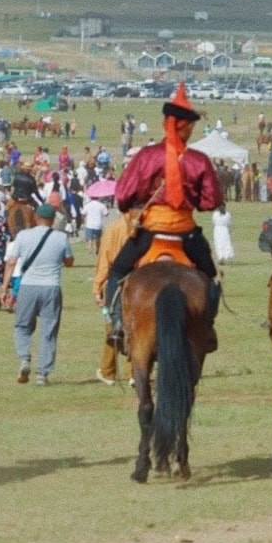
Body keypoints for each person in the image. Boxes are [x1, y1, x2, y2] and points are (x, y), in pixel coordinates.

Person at [103, 81, 223, 346]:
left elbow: (123, 193)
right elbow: (211, 200)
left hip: (149, 232)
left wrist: (132, 209)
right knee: (211, 276)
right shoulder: (199, 160)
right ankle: (207, 328)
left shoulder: (146, 156)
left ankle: (118, 324)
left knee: (116, 272)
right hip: (186, 234)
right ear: (187, 127)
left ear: (165, 123)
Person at [1, 203, 74, 385]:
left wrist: (4, 288)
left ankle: (24, 357)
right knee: (49, 330)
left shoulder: (23, 236)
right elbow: (69, 261)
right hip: (51, 286)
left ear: (35, 217)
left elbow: (11, 262)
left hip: (28, 285)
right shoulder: (61, 237)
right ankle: (43, 373)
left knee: (22, 326)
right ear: (53, 219)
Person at [92, 209, 136, 385]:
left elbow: (104, 260)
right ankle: (133, 371)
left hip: (115, 280)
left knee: (112, 324)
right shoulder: (143, 227)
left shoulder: (112, 229)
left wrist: (97, 286)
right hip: (139, 277)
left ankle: (108, 370)